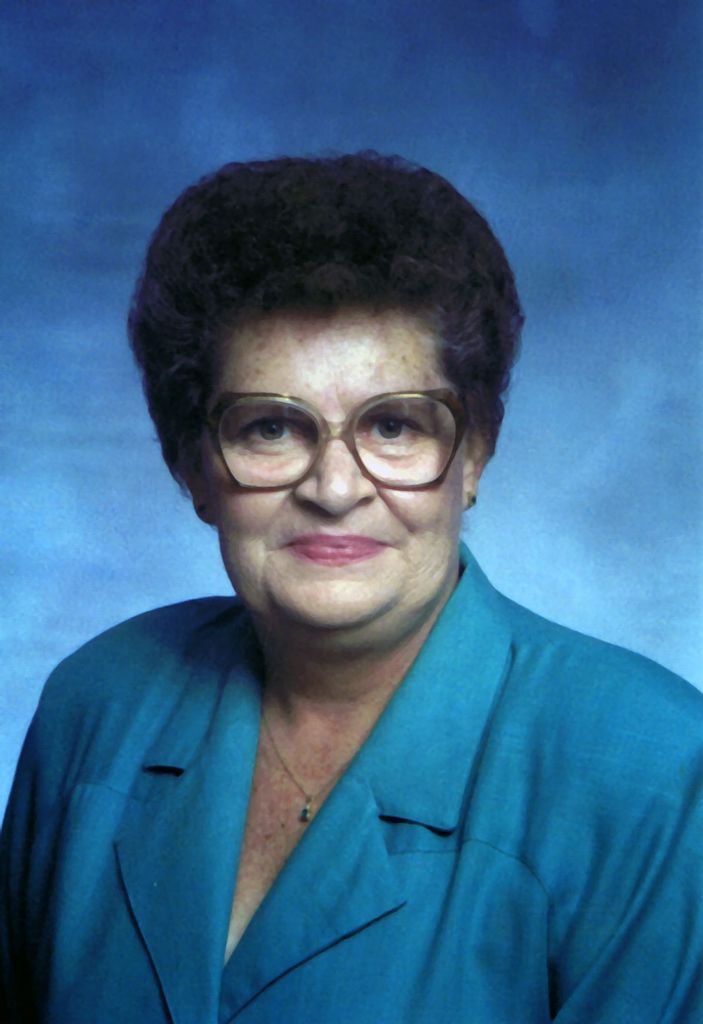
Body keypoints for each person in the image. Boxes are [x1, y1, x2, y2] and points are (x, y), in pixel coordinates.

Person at [1, 152, 701, 1024]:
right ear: (193, 465)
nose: (334, 488)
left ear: (473, 456)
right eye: (269, 427)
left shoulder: (654, 773)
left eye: (394, 425)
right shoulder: (96, 707)